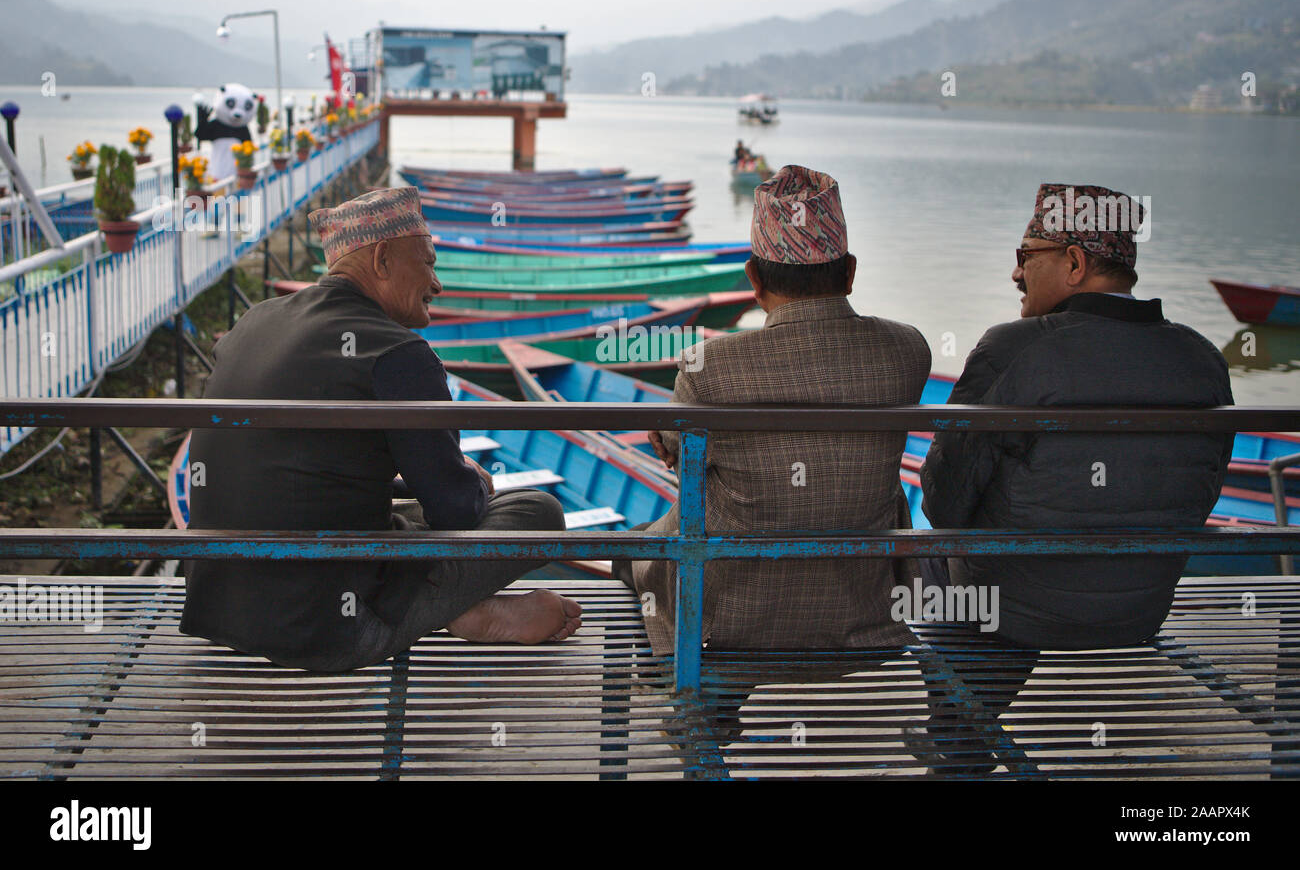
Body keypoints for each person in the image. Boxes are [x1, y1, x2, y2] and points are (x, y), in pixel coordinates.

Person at [180, 187, 581, 673]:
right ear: (384, 258)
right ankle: (458, 611)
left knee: (402, 511)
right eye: (429, 264)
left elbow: (304, 469)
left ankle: (450, 607)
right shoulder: (399, 353)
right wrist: (470, 476)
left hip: (220, 609)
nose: (437, 284)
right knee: (536, 510)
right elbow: (455, 507)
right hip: (331, 629)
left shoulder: (252, 321)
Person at [909, 182, 1233, 774]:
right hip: (1140, 605)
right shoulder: (1203, 357)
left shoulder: (1013, 348)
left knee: (929, 556)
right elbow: (1201, 494)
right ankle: (961, 739)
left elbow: (943, 504)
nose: (1016, 274)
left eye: (1026, 256)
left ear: (1075, 263)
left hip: (1026, 608)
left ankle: (959, 742)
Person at [620, 165, 932, 666]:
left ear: (754, 280)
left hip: (736, 613)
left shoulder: (709, 366)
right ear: (849, 272)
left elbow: (683, 458)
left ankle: (693, 697)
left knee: (635, 548)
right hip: (864, 607)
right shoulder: (908, 350)